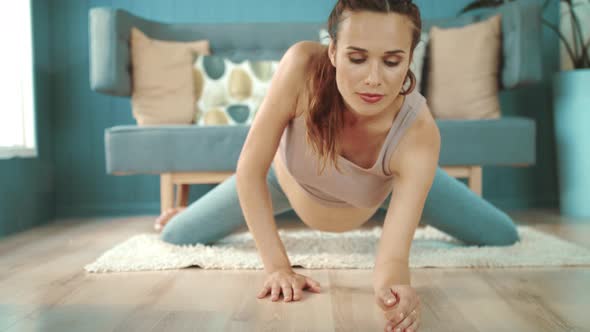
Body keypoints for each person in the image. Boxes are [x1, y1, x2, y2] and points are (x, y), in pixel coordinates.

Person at [155, 1, 520, 331]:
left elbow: (392, 260)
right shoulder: (301, 66)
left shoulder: (419, 134)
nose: (373, 79)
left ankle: (420, 184)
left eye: (392, 61)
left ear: (410, 57)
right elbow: (249, 170)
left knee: (503, 234)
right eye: (357, 58)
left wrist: (396, 292)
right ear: (333, 51)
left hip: (384, 187)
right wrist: (278, 267)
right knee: (176, 235)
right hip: (280, 181)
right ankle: (181, 214)